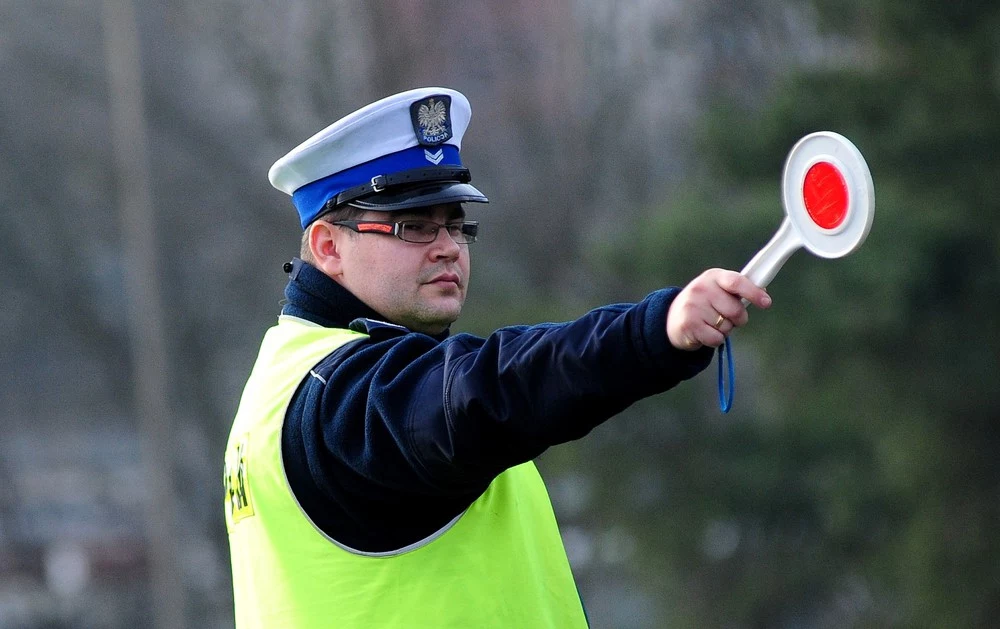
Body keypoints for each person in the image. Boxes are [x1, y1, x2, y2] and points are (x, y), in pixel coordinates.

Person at [223, 87, 771, 628]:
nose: (448, 247)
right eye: (412, 226)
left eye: (456, 224)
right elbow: (489, 390)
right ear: (327, 248)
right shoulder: (340, 395)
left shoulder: (283, 382)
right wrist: (649, 333)